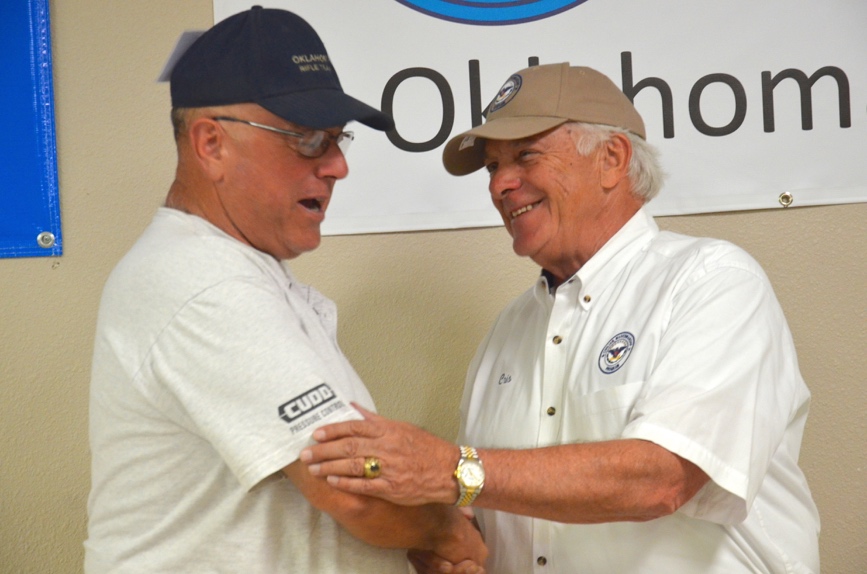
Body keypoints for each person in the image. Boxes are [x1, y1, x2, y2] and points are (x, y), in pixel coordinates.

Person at [300, 62, 821, 573]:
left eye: (525, 155)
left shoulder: (711, 281)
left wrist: (449, 468)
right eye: (491, 167)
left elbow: (664, 481)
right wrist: (458, 544)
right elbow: (500, 500)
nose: (500, 185)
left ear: (613, 159)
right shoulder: (508, 331)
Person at [84, 7, 486, 573]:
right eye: (308, 139)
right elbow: (350, 490)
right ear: (211, 144)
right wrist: (446, 530)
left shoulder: (240, 272)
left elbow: (353, 477)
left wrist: (415, 530)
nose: (339, 165)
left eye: (337, 137)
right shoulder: (206, 283)